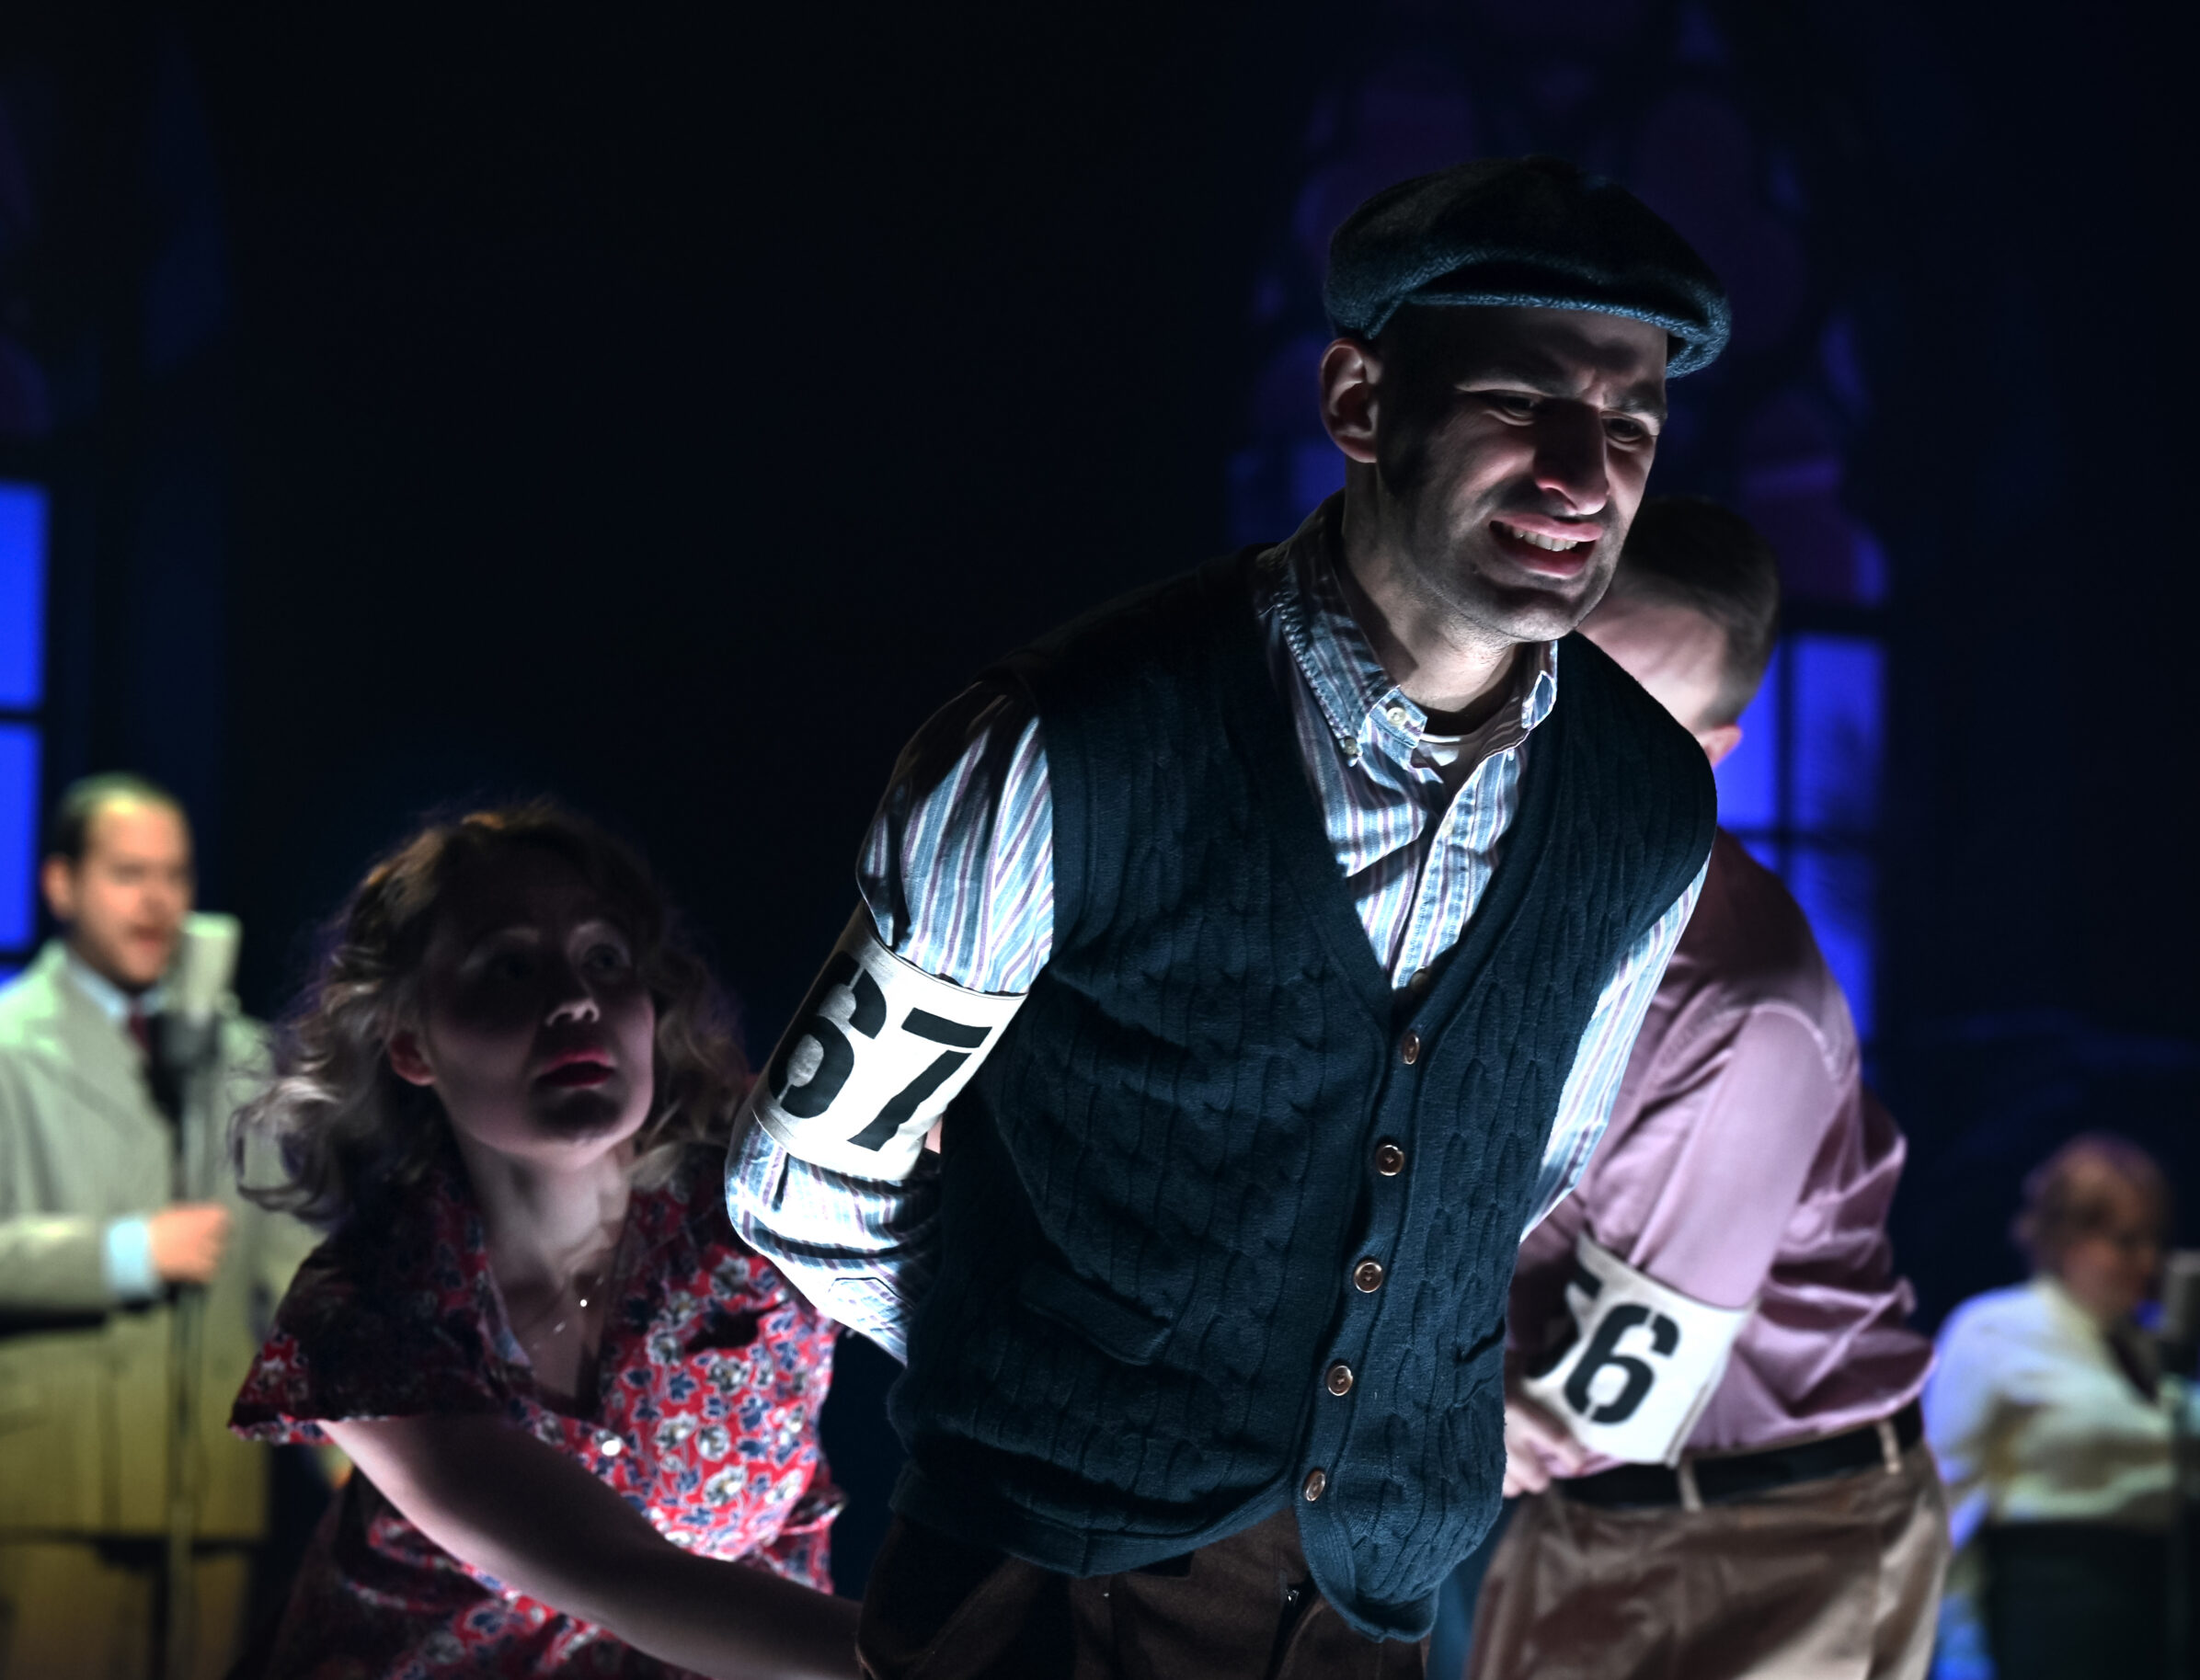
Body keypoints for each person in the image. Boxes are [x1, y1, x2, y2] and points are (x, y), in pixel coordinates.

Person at [726, 155, 1727, 1676]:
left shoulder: (1646, 802)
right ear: (1359, 401)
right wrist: (1053, 1372)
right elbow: (803, 1177)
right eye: (1521, 401)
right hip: (1043, 1598)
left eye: (1629, 423)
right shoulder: (1070, 741)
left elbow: (1520, 1169)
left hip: (1368, 1612)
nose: (1581, 470)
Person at [1447, 497, 1946, 1680]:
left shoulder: (1735, 1001)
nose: (1577, 753)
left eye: (1641, 725)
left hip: (1774, 1536)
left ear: (1711, 752)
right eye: (1556, 694)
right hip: (1583, 1513)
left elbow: (1597, 1406)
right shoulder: (1476, 892)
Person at [226, 805, 859, 1680]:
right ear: (410, 1042)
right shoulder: (366, 1307)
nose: (575, 998)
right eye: (510, 966)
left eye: (606, 958)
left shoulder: (767, 1197)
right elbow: (619, 1573)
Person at [0, 772, 318, 1680]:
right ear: (63, 884)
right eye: (129, 874)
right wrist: (128, 1252)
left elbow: (292, 1271)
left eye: (175, 875)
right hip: (49, 1488)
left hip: (209, 1492)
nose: (157, 900)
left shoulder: (243, 1057)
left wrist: (354, 1448)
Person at [1924, 1134, 2184, 1679]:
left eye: (2154, 1240)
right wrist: (1963, 1662)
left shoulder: (2150, 1349)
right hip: (2050, 1622)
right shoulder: (1993, 1329)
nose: (2148, 1261)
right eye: (2126, 1241)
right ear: (2066, 1238)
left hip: (2157, 1620)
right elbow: (1945, 1512)